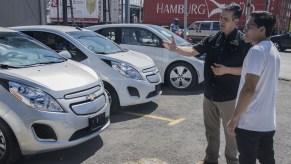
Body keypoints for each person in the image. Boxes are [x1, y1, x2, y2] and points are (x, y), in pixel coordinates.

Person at [163, 3, 251, 164]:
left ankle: (232, 160)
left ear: (236, 22)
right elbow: (193, 50)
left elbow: (248, 70)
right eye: (220, 17)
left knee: (231, 132)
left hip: (229, 98)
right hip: (209, 96)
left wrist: (227, 70)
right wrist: (177, 50)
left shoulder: (243, 42)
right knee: (211, 131)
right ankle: (211, 159)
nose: (221, 21)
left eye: (226, 18)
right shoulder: (213, 38)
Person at [227, 11, 280, 164]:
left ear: (262, 30)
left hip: (250, 122)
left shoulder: (256, 51)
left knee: (247, 160)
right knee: (267, 159)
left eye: (249, 26)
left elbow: (249, 88)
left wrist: (234, 118)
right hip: (267, 122)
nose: (245, 29)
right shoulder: (273, 50)